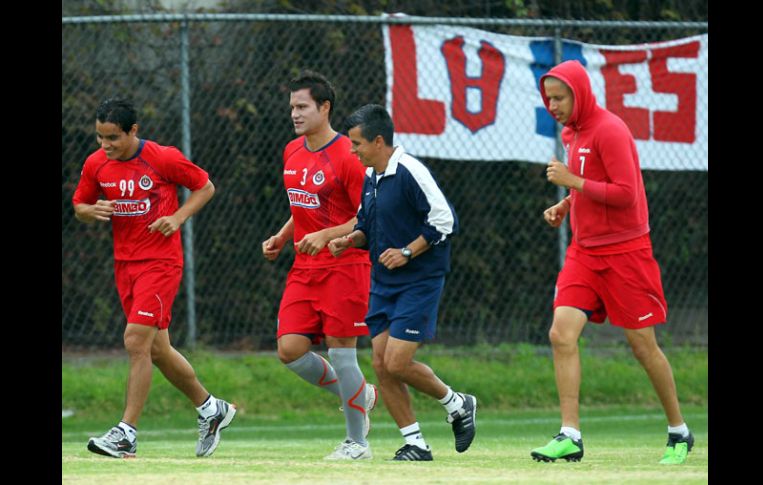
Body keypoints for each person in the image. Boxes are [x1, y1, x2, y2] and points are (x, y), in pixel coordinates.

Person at [531, 60, 694, 465]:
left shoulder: (610, 130)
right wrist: (566, 204)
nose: (553, 105)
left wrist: (572, 183)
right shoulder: (572, 132)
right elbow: (589, 183)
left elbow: (626, 194)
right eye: (548, 98)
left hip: (626, 253)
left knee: (642, 345)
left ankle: (679, 431)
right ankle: (570, 434)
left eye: (560, 97)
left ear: (580, 93)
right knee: (561, 334)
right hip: (584, 253)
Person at [72, 97, 236, 458]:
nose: (105, 145)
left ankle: (126, 434)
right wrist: (90, 210)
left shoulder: (161, 157)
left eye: (113, 137)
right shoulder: (97, 164)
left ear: (133, 131)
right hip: (125, 265)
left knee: (135, 341)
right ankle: (211, 409)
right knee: (157, 349)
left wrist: (178, 218)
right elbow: (80, 205)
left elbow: (205, 186)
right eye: (100, 137)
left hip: (161, 263)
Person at [328, 104, 476, 462]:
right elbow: (367, 224)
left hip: (418, 281)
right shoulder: (372, 177)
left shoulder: (411, 171)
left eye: (357, 143)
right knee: (380, 365)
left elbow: (444, 222)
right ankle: (416, 443)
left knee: (395, 362)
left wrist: (407, 253)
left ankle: (457, 403)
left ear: (379, 141)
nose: (352, 150)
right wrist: (349, 240)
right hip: (384, 283)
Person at [262, 70, 378, 461]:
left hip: (345, 264)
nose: (294, 113)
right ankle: (361, 393)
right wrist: (282, 235)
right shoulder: (292, 151)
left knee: (343, 354)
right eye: (292, 106)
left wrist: (328, 236)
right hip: (304, 267)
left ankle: (357, 443)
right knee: (289, 350)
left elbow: (366, 215)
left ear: (324, 107)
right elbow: (304, 205)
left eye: (302, 106)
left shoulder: (348, 153)